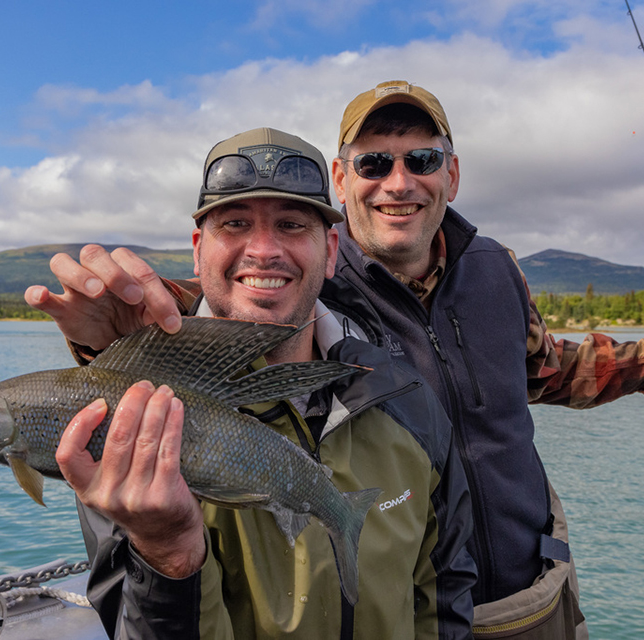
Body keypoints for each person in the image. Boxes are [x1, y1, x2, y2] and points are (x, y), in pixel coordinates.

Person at [327, 80, 644, 639]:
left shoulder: (495, 267)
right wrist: (169, 298)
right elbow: (219, 296)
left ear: (451, 175)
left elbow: (549, 372)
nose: (399, 182)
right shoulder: (306, 278)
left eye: (423, 159)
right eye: (374, 162)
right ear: (341, 180)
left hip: (532, 598)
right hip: (396, 618)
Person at [31, 127, 477, 638]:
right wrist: (170, 553)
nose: (263, 250)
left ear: (330, 250)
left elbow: (444, 595)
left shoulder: (403, 397)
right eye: (236, 224)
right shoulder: (135, 425)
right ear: (198, 250)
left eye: (291, 225)